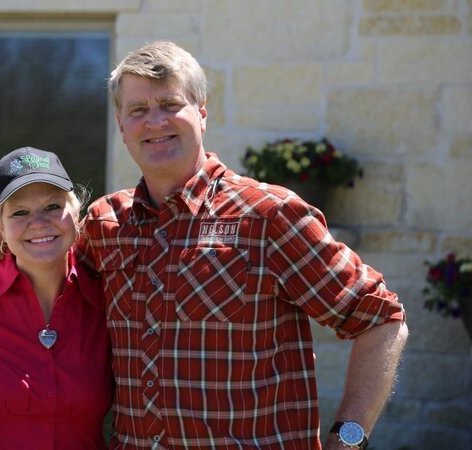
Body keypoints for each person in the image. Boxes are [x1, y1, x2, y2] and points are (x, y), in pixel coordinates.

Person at [78, 41, 409, 449]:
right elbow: (38, 296)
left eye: (170, 104)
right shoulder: (104, 225)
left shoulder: (269, 216)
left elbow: (380, 318)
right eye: (138, 110)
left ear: (202, 114)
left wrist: (350, 438)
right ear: (121, 125)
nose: (155, 121)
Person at [0, 147, 112, 449]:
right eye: (20, 212)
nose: (39, 222)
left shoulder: (108, 303)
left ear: (75, 214)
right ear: (0, 226)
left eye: (52, 206)